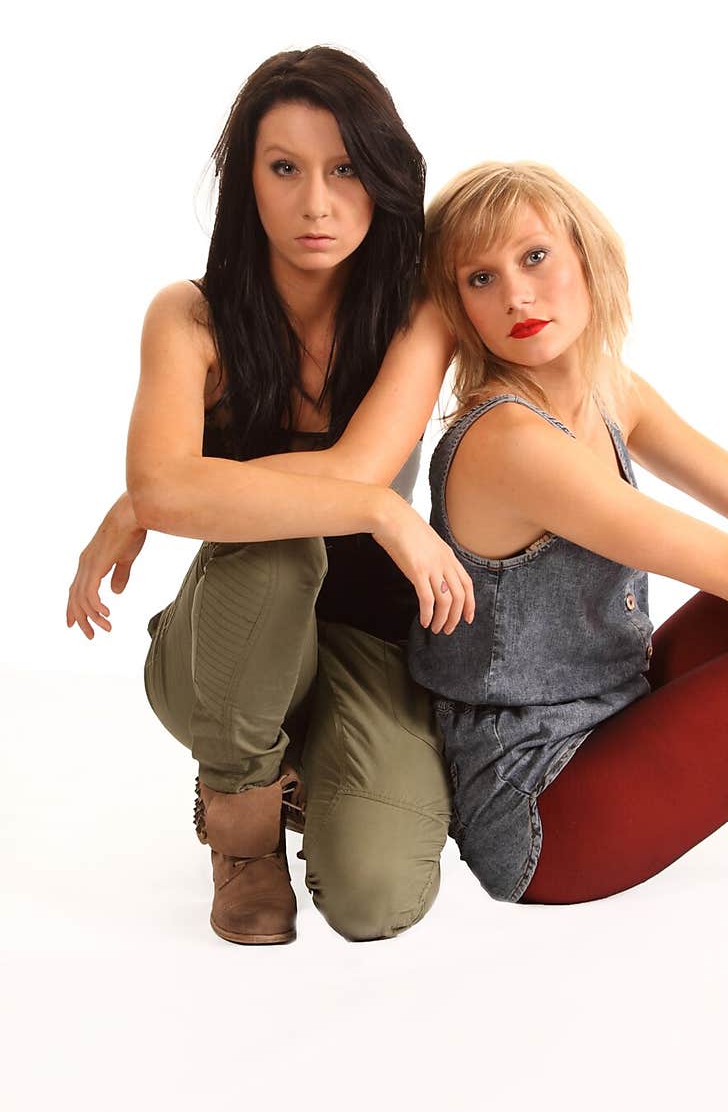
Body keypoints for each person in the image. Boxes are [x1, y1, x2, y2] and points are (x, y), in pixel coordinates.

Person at [66, 46, 476, 946]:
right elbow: (344, 494)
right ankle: (242, 830)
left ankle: (308, 769)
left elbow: (356, 470)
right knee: (291, 545)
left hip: (366, 634)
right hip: (234, 634)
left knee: (376, 898)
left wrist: (149, 501)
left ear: (383, 177)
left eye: (344, 170)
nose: (316, 203)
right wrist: (372, 510)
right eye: (284, 168)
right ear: (246, 181)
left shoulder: (418, 313)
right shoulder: (190, 316)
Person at [408, 160, 728, 905]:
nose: (517, 296)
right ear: (457, 308)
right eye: (480, 279)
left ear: (586, 257)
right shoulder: (509, 442)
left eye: (534, 257)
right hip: (545, 806)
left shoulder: (608, 389)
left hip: (621, 701)